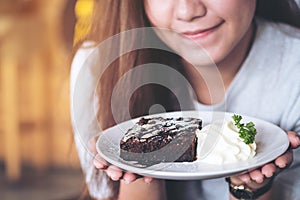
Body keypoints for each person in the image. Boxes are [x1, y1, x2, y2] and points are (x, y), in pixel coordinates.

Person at [70, 0, 300, 199]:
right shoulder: (99, 69)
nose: (188, 11)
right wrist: (137, 167)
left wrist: (249, 188)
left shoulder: (293, 69)